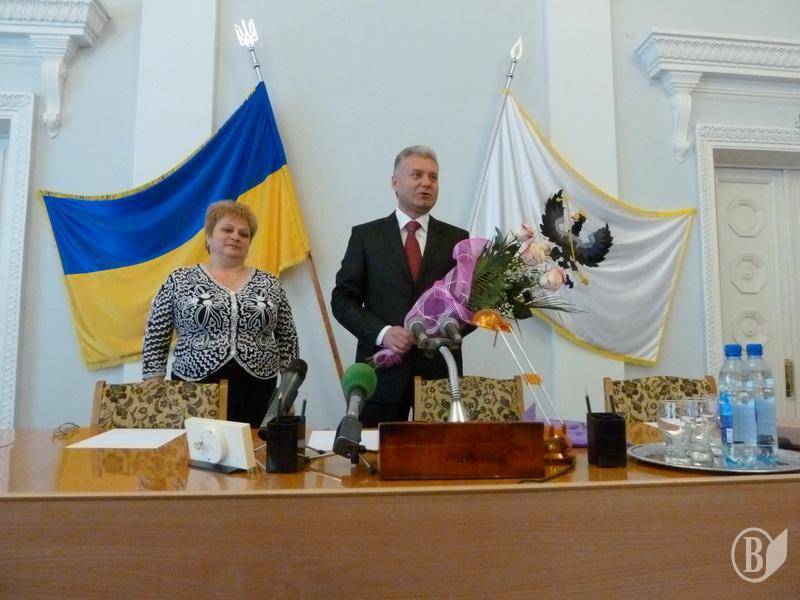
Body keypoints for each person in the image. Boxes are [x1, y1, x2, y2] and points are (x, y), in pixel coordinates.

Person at [331, 145, 469, 426]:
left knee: (438, 452)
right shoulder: (366, 236)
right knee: (376, 451)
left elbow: (470, 304)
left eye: (433, 177)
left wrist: (441, 331)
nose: (426, 183)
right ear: (395, 182)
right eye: (417, 175)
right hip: (381, 375)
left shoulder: (458, 239)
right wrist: (382, 334)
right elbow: (343, 300)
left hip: (439, 375)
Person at [142, 200, 299, 427]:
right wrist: (154, 389)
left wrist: (287, 392)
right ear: (209, 236)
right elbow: (155, 336)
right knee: (196, 449)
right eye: (227, 229)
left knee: (254, 449)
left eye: (244, 234)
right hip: (193, 392)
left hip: (258, 393)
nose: (236, 236)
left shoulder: (270, 283)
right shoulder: (179, 280)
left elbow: (288, 340)